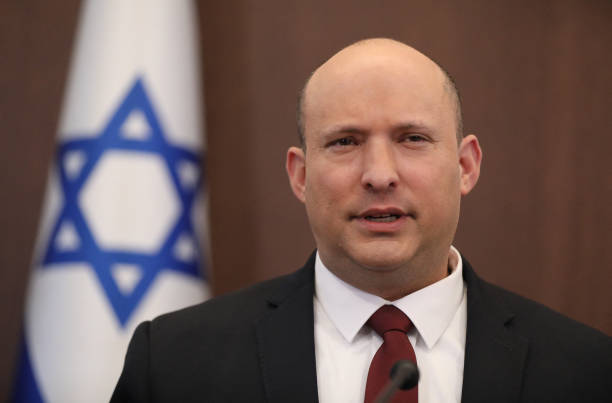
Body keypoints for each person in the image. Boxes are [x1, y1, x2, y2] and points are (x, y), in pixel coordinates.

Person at [111, 38, 612, 402]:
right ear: (301, 174)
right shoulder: (173, 365)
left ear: (465, 166)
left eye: (412, 138)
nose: (378, 174)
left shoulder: (587, 371)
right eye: (345, 141)